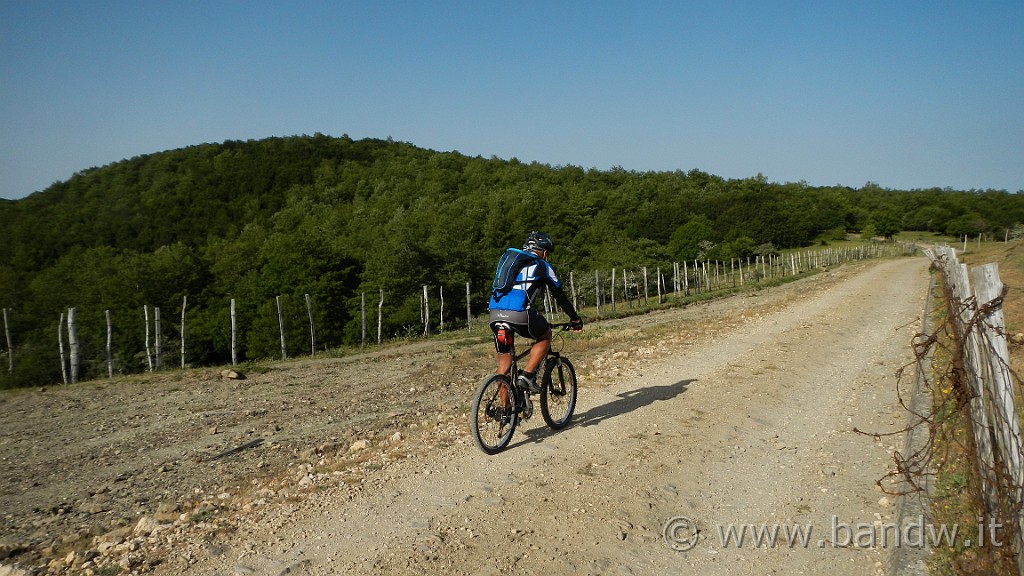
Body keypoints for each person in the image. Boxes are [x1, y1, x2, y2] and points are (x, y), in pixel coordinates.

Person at [488, 231, 583, 392]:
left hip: (494, 313)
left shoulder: (511, 262)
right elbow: (560, 296)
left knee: (504, 364)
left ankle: (507, 414)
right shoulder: (542, 265)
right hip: (519, 313)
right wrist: (575, 319)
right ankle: (527, 375)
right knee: (545, 334)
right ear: (545, 252)